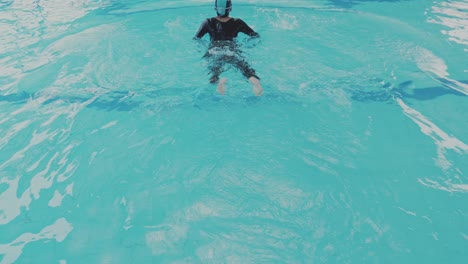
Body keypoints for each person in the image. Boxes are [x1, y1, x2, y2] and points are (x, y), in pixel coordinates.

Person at [194, 0, 263, 96]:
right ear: (230, 9)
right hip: (232, 51)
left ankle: (220, 82)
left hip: (215, 52)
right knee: (247, 70)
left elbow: (196, 38)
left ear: (215, 9)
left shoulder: (208, 22)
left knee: (213, 73)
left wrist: (205, 48)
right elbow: (255, 36)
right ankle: (255, 83)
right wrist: (245, 45)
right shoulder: (237, 22)